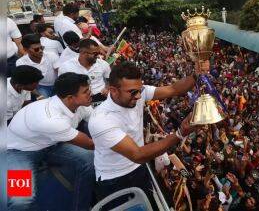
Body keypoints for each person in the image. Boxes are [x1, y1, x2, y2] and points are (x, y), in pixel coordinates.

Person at [88, 60, 209, 209]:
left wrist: (196, 75)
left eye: (140, 89)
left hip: (139, 168)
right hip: (114, 178)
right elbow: (137, 154)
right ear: (113, 90)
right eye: (133, 92)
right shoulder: (101, 120)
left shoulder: (137, 93)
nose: (139, 96)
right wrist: (179, 133)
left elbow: (173, 89)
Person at [7, 73, 95, 211]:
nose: (91, 93)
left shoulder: (82, 104)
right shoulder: (51, 119)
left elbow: (97, 124)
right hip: (18, 150)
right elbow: (90, 144)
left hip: (50, 144)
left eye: (89, 89)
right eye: (86, 91)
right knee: (20, 200)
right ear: (70, 98)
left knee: (89, 160)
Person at [58, 39, 111, 103]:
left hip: (102, 97)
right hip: (79, 102)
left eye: (98, 53)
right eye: (95, 54)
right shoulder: (66, 67)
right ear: (83, 53)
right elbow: (63, 88)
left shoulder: (103, 64)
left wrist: (107, 88)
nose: (98, 56)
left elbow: (109, 79)